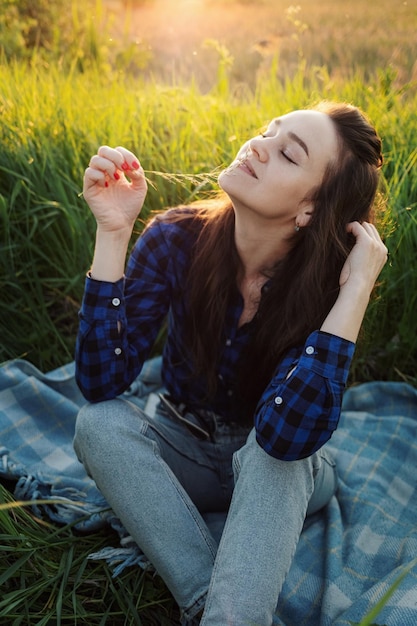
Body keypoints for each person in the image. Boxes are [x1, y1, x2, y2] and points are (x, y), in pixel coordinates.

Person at [73, 101, 388, 625]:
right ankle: (211, 608)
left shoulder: (327, 286)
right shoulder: (176, 238)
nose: (258, 145)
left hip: (280, 472)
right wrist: (112, 233)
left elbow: (287, 437)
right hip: (184, 446)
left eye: (287, 153)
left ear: (310, 209)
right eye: (267, 131)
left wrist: (355, 292)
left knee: (273, 455)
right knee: (97, 425)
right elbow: (101, 384)